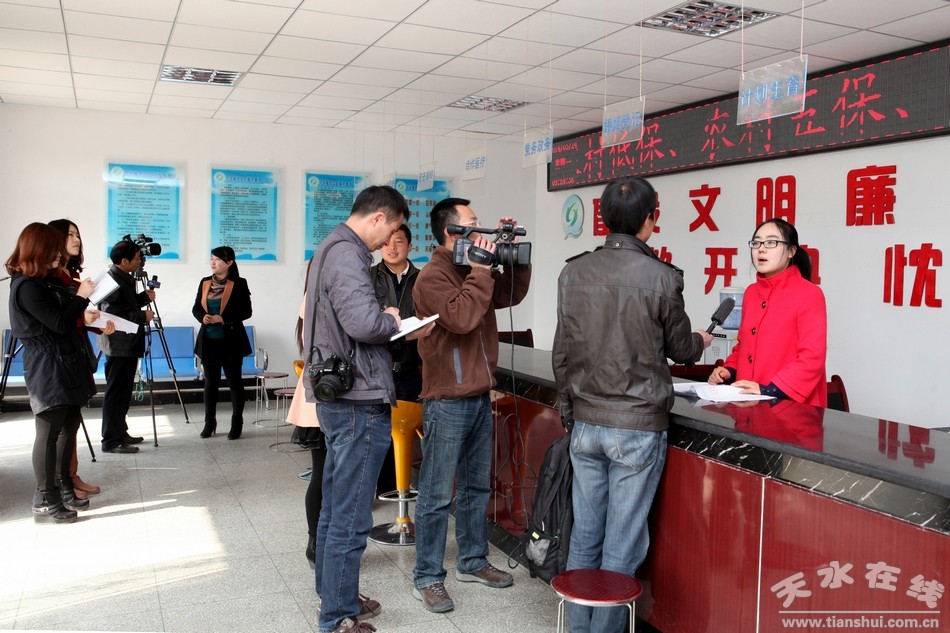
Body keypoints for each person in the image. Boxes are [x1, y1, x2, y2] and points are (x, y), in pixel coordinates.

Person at [552, 176, 711, 633]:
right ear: (649, 221)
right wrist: (700, 340)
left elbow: (563, 353)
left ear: (604, 219)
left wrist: (570, 412)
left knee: (585, 534)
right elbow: (681, 349)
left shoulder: (573, 273)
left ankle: (578, 628)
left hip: (586, 423)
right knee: (622, 542)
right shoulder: (661, 277)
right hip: (638, 427)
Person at [410, 197, 531, 613]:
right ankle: (427, 576)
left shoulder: (470, 267)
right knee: (436, 494)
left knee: (477, 487)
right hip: (446, 400)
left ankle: (473, 560)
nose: (482, 231)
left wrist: (510, 257)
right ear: (452, 232)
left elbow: (509, 295)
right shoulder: (432, 277)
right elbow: (461, 318)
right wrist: (481, 269)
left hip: (479, 395)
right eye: (474, 224)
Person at [304, 185, 409, 633]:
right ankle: (337, 617)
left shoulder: (329, 247)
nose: (388, 242)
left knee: (335, 509)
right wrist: (393, 320)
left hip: (341, 397)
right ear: (378, 217)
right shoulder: (348, 253)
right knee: (349, 515)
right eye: (391, 230)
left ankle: (336, 597)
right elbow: (364, 324)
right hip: (356, 401)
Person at [6, 223, 100, 522]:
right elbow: (59, 323)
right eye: (54, 249)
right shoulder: (26, 286)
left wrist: (80, 300)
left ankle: (63, 485)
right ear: (38, 250)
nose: (60, 254)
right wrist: (81, 297)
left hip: (66, 360)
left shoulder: (47, 282)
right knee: (48, 432)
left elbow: (68, 317)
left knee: (69, 426)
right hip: (47, 364)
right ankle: (45, 496)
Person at [708, 218, 828, 406]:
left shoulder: (809, 294)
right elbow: (744, 346)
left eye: (771, 242)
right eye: (756, 243)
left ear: (791, 251)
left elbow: (812, 358)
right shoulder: (751, 293)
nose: (761, 249)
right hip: (748, 404)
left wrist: (769, 390)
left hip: (791, 408)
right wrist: (729, 370)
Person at [48, 219, 114, 499]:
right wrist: (82, 313)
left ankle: (71, 476)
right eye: (70, 235)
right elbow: (59, 320)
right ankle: (63, 480)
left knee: (72, 422)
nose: (76, 239)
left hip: (77, 352)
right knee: (62, 427)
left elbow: (77, 316)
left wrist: (97, 324)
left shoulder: (72, 273)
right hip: (60, 356)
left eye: (77, 234)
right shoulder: (52, 277)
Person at [370, 223, 421, 495]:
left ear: (410, 246)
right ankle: (376, 487)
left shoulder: (423, 279)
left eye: (399, 241)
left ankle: (397, 487)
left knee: (405, 429)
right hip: (377, 368)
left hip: (411, 367)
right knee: (376, 430)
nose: (392, 247)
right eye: (386, 242)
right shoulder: (368, 277)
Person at [98, 239, 154, 454]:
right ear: (124, 261)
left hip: (127, 344)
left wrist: (142, 299)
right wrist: (142, 316)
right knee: (116, 393)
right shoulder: (112, 281)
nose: (141, 261)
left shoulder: (123, 277)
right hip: (118, 345)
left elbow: (124, 305)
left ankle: (120, 432)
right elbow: (110, 315)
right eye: (137, 258)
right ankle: (111, 440)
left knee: (123, 392)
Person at [192, 246, 253, 440]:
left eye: (217, 259)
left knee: (234, 383)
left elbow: (247, 311)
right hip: (209, 340)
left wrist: (224, 318)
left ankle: (237, 423)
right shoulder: (204, 282)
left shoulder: (239, 283)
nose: (213, 262)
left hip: (231, 341)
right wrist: (203, 317)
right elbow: (196, 308)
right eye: (211, 258)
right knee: (210, 384)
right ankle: (209, 423)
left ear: (229, 263)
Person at [288, 295, 326, 569]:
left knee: (328, 477)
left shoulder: (314, 295)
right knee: (323, 476)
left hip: (329, 393)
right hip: (324, 393)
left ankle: (323, 543)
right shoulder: (315, 298)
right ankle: (316, 542)